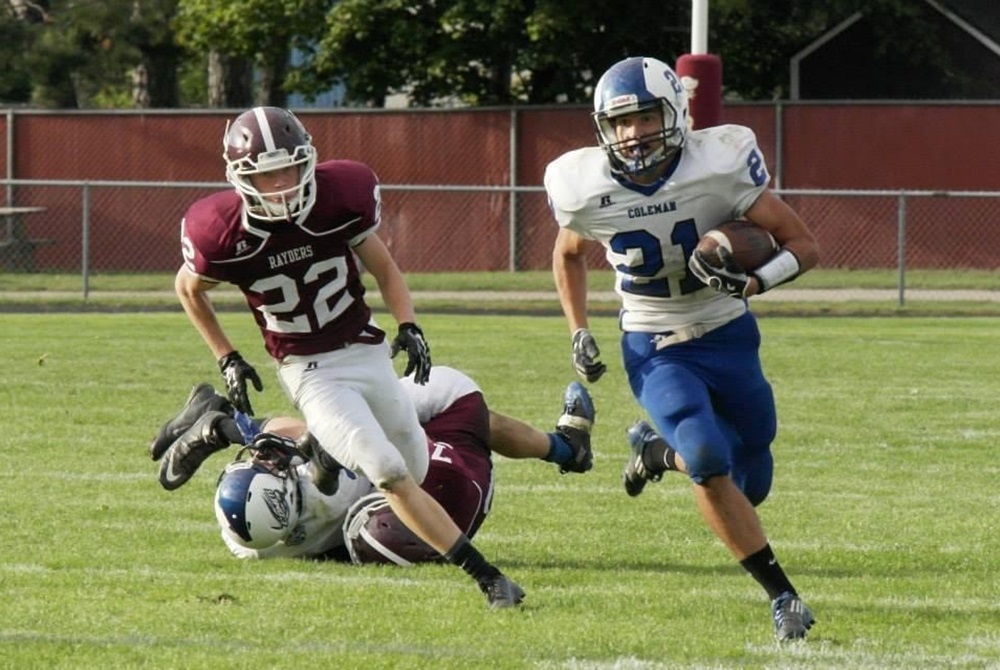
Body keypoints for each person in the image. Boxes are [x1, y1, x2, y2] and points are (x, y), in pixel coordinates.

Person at [174, 105, 521, 607]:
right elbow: (188, 289)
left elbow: (385, 268)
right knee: (386, 469)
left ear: (307, 162)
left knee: (415, 468)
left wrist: (409, 324)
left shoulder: (340, 197)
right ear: (241, 178)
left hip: (366, 352)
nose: (281, 185)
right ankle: (489, 579)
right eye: (266, 175)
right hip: (309, 370)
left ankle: (267, 436)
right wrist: (227, 355)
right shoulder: (221, 232)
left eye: (289, 169)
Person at [544, 56, 821, 640]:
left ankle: (653, 453)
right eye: (619, 123)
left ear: (674, 113)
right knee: (707, 459)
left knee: (751, 480)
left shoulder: (718, 165)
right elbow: (567, 253)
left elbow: (802, 244)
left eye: (644, 118)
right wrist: (578, 328)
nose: (632, 134)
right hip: (654, 340)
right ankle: (784, 597)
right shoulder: (585, 185)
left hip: (728, 332)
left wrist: (755, 281)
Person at [148, 367, 595, 566]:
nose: (267, 460)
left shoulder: (249, 542)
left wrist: (227, 431)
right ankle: (565, 448)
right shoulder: (314, 495)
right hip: (421, 459)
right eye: (267, 465)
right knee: (453, 413)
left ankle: (566, 448)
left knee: (327, 431)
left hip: (408, 442)